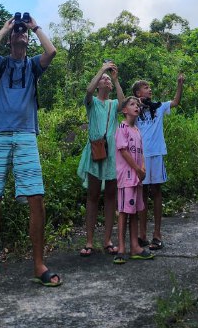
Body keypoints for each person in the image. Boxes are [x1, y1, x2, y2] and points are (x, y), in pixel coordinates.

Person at [0, 14, 61, 291]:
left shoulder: (33, 66)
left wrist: (35, 26)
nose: (20, 34)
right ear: (11, 38)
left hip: (26, 134)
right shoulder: (0, 64)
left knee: (36, 197)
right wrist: (5, 28)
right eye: (18, 32)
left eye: (22, 32)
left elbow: (51, 51)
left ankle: (39, 265)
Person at [76, 60, 125, 256]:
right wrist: (102, 69)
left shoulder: (113, 104)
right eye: (102, 79)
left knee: (111, 196)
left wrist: (116, 78)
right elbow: (88, 90)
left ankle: (107, 239)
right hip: (95, 151)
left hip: (112, 153)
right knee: (93, 196)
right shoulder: (92, 102)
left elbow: (123, 105)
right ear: (98, 84)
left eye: (107, 79)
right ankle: (89, 241)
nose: (105, 79)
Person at [133, 73, 185, 251]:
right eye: (146, 87)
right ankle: (142, 234)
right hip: (140, 157)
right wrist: (136, 104)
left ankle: (157, 234)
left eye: (149, 87)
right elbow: (124, 110)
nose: (150, 90)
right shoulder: (135, 109)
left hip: (156, 155)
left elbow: (175, 102)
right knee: (141, 193)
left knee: (156, 191)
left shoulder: (159, 107)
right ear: (138, 93)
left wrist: (179, 85)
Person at [113, 96, 154, 264]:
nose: (136, 107)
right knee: (123, 212)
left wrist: (143, 167)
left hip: (137, 178)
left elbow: (141, 152)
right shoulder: (122, 128)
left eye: (137, 104)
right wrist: (137, 169)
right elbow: (123, 151)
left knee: (135, 211)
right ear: (125, 110)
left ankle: (135, 247)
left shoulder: (137, 130)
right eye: (132, 104)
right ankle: (121, 248)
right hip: (126, 177)